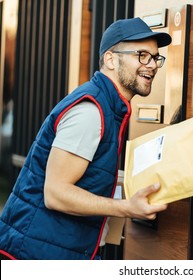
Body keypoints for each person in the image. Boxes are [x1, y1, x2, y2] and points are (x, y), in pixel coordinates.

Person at [0, 17, 172, 260]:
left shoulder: (110, 108)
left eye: (155, 57)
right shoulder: (91, 111)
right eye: (142, 55)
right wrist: (127, 207)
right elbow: (56, 193)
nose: (152, 65)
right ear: (111, 59)